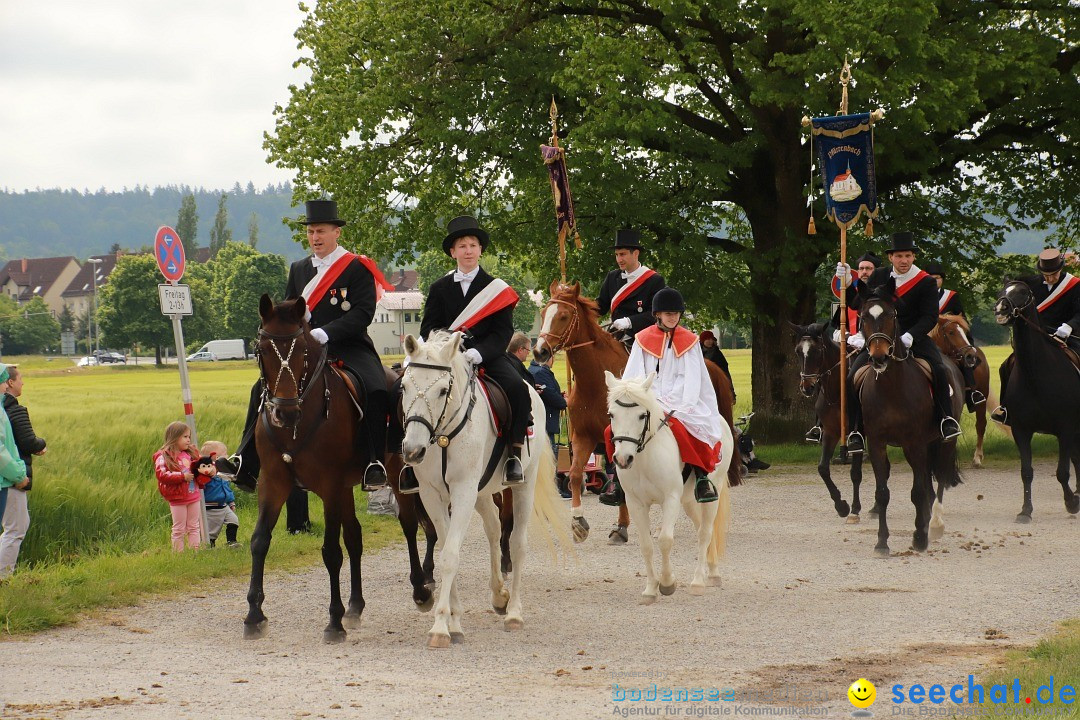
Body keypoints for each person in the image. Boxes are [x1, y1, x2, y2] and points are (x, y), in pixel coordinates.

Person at [221, 199, 394, 501]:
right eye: (311, 232)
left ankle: (374, 462)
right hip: (306, 351)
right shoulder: (299, 268)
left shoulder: (356, 267)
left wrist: (326, 331)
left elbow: (363, 312)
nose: (315, 237)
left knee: (377, 388)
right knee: (258, 390)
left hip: (349, 345)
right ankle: (244, 461)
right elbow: (290, 309)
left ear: (336, 232)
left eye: (321, 231)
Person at [398, 215, 528, 494]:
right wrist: (448, 349)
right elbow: (429, 327)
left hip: (486, 357)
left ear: (480, 250)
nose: (468, 250)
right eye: (462, 246)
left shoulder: (497, 289)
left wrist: (478, 353)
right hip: (445, 359)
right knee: (408, 390)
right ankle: (411, 461)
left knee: (517, 388)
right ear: (452, 252)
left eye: (473, 245)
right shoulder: (438, 288)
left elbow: (503, 332)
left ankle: (514, 454)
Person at [838, 232, 962, 453]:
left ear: (913, 257)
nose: (903, 260)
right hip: (881, 337)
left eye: (907, 255)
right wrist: (848, 283)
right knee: (852, 376)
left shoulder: (925, 282)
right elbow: (859, 304)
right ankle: (856, 430)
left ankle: (946, 419)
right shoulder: (880, 276)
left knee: (940, 369)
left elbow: (930, 316)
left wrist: (910, 335)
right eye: (899, 256)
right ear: (891, 258)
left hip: (915, 336)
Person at [618, 287, 723, 503]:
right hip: (648, 400)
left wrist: (679, 403)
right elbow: (633, 375)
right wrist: (646, 398)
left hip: (681, 402)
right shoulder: (642, 339)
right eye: (668, 314)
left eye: (675, 314)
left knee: (691, 431)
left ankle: (702, 477)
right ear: (657, 314)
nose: (672, 317)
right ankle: (616, 481)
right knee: (615, 429)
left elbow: (692, 378)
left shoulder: (690, 341)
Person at [992, 248, 1080, 424]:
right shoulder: (1030, 284)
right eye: (1045, 274)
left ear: (1061, 269)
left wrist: (1069, 327)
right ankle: (1006, 409)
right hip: (1037, 335)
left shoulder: (1075, 285)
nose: (1049, 278)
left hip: (1068, 336)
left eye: (1053, 274)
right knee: (1005, 367)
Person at [805, 252, 882, 444]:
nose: (864, 272)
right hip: (848, 345)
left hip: (873, 345)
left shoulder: (882, 291)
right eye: (862, 268)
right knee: (825, 372)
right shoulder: (850, 294)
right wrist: (841, 334)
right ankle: (820, 423)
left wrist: (864, 338)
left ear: (876, 270)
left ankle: (863, 425)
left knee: (855, 380)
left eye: (869, 268)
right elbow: (835, 323)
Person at [0, 365, 46, 578]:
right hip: (9, 479)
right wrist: (20, 476)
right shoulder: (10, 411)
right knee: (15, 529)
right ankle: (3, 578)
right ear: (7, 382)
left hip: (8, 477)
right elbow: (10, 448)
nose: (23, 383)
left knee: (15, 526)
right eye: (20, 379)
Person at [923, 261, 985, 410]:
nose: (934, 280)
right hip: (927, 338)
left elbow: (961, 318)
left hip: (950, 337)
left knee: (964, 358)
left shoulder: (951, 296)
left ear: (942, 279)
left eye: (937, 277)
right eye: (931, 278)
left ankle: (971, 392)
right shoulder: (921, 296)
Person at [596, 229, 666, 347]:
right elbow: (599, 306)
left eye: (623, 254)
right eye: (617, 255)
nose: (619, 260)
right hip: (616, 337)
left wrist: (629, 322)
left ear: (636, 253)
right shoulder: (612, 277)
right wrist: (573, 300)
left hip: (643, 339)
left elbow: (656, 314)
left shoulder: (654, 280)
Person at [153, 421, 208, 552]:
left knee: (194, 526)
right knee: (179, 529)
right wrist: (182, 477)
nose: (188, 440)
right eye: (185, 437)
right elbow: (162, 474)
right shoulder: (163, 456)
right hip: (177, 498)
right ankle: (178, 555)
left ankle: (195, 552)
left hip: (194, 495)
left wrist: (209, 470)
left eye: (189, 437)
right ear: (174, 437)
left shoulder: (191, 453)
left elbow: (204, 465)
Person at [0, 364, 29, 542]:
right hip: (3, 481)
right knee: (14, 530)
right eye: (3, 382)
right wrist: (19, 475)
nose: (5, 387)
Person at [199, 441, 240, 548]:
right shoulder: (205, 472)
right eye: (225, 454)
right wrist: (209, 475)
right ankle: (209, 545)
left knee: (234, 520)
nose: (227, 456)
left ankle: (232, 542)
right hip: (211, 507)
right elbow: (201, 484)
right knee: (212, 531)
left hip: (224, 505)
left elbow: (226, 489)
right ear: (215, 457)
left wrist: (231, 501)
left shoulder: (223, 471)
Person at [698, 330, 735, 401]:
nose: (709, 341)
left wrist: (731, 392)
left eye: (711, 339)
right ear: (703, 340)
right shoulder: (697, 353)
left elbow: (726, 373)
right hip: (700, 384)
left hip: (715, 384)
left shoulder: (718, 354)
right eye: (707, 339)